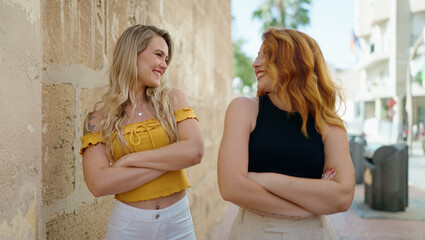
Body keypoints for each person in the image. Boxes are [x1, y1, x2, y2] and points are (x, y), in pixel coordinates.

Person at [218, 27, 355, 240]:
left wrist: (260, 179)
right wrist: (309, 205)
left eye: (267, 56)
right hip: (255, 231)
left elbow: (342, 197)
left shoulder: (329, 125)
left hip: (313, 233)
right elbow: (231, 187)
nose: (255, 64)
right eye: (257, 56)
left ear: (294, 62)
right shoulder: (244, 109)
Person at [80, 25, 203, 240]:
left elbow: (194, 152)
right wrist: (173, 160)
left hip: (178, 222)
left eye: (166, 59)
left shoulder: (174, 100)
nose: (164, 65)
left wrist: (130, 160)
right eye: (158, 55)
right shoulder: (97, 119)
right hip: (127, 226)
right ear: (131, 53)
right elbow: (98, 184)